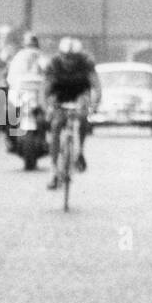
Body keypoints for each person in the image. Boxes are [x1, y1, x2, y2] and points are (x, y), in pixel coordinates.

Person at [45, 37, 98, 189]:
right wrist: (46, 107)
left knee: (82, 118)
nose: (69, 61)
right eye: (66, 57)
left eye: (73, 58)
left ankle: (80, 151)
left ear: (78, 57)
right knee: (56, 125)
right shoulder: (54, 63)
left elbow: (97, 87)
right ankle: (54, 169)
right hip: (60, 94)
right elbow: (45, 89)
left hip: (80, 94)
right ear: (60, 55)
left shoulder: (87, 63)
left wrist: (94, 105)